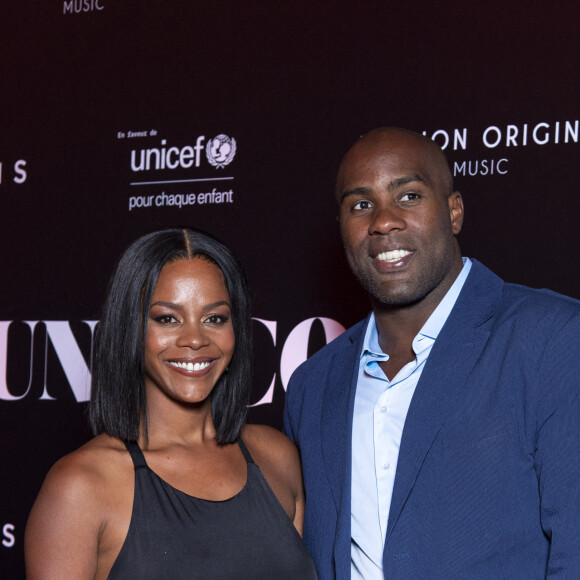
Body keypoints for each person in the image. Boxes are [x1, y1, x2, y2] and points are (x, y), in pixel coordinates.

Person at [283, 127, 580, 579]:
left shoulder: (551, 338)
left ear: (454, 211)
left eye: (408, 196)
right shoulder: (312, 386)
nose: (383, 221)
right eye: (361, 205)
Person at [25, 228, 317, 579]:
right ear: (130, 327)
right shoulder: (80, 487)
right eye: (167, 318)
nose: (194, 338)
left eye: (215, 318)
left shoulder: (277, 458)